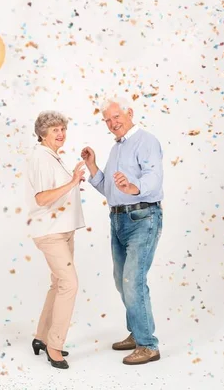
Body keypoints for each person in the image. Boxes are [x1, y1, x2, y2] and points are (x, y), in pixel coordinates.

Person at [82, 97, 163, 365]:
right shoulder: (116, 149)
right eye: (107, 120)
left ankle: (148, 345)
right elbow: (108, 189)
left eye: (116, 117)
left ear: (129, 113)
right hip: (118, 220)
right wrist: (93, 165)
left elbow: (153, 176)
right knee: (122, 280)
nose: (112, 123)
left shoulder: (145, 140)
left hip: (142, 217)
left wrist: (134, 187)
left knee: (133, 280)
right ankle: (137, 332)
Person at [26, 111, 86, 369]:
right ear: (42, 133)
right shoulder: (41, 157)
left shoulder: (53, 157)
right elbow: (41, 198)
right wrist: (72, 181)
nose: (61, 134)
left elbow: (57, 193)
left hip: (64, 230)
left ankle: (41, 337)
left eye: (62, 129)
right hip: (50, 232)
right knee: (69, 284)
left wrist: (71, 180)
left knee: (58, 284)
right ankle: (55, 345)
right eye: (55, 130)